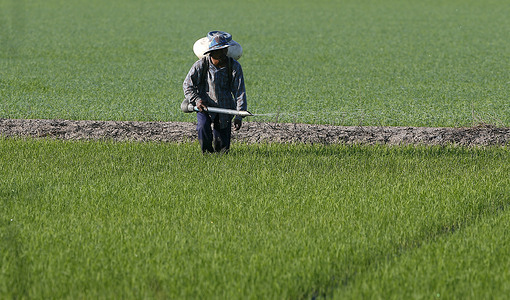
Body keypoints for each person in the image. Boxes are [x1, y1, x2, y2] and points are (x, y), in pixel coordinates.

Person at [183, 31, 247, 153]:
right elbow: (187, 85)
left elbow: (239, 91)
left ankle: (221, 160)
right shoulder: (201, 65)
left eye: (225, 49)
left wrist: (239, 114)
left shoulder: (234, 66)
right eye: (220, 50)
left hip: (225, 107)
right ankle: (206, 155)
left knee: (222, 146)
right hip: (204, 105)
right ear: (212, 52)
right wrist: (197, 100)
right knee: (203, 127)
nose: (224, 53)